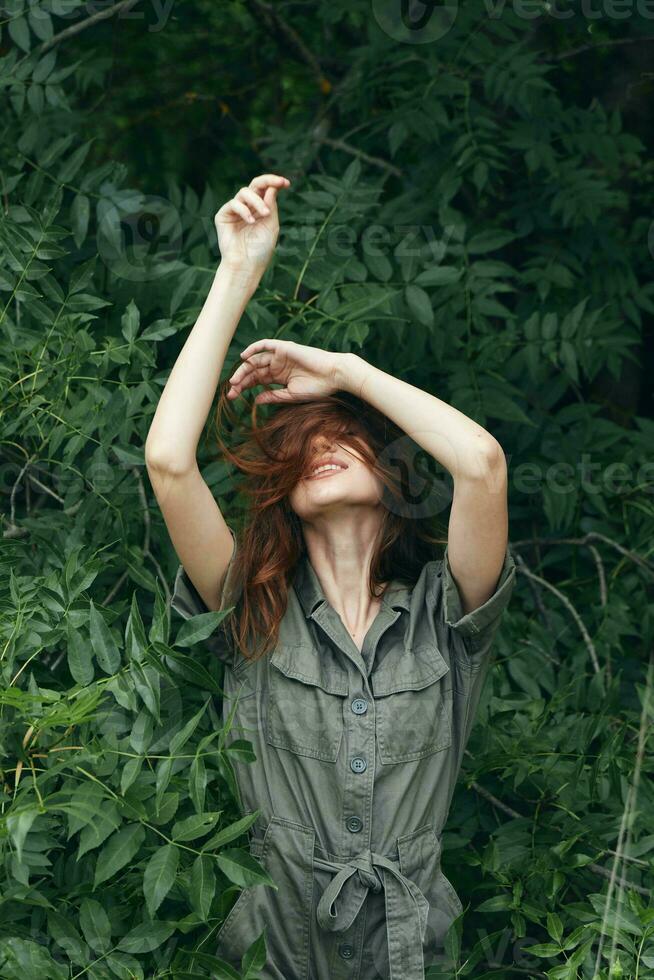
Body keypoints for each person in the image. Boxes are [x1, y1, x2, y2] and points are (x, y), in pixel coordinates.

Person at [145, 173, 517, 980]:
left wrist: (346, 372)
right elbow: (169, 462)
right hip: (276, 960)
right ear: (282, 491)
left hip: (414, 962)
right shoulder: (251, 612)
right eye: (299, 444)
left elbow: (482, 465)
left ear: (389, 474)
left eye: (342, 434)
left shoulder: (444, 622)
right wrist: (237, 272)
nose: (320, 444)